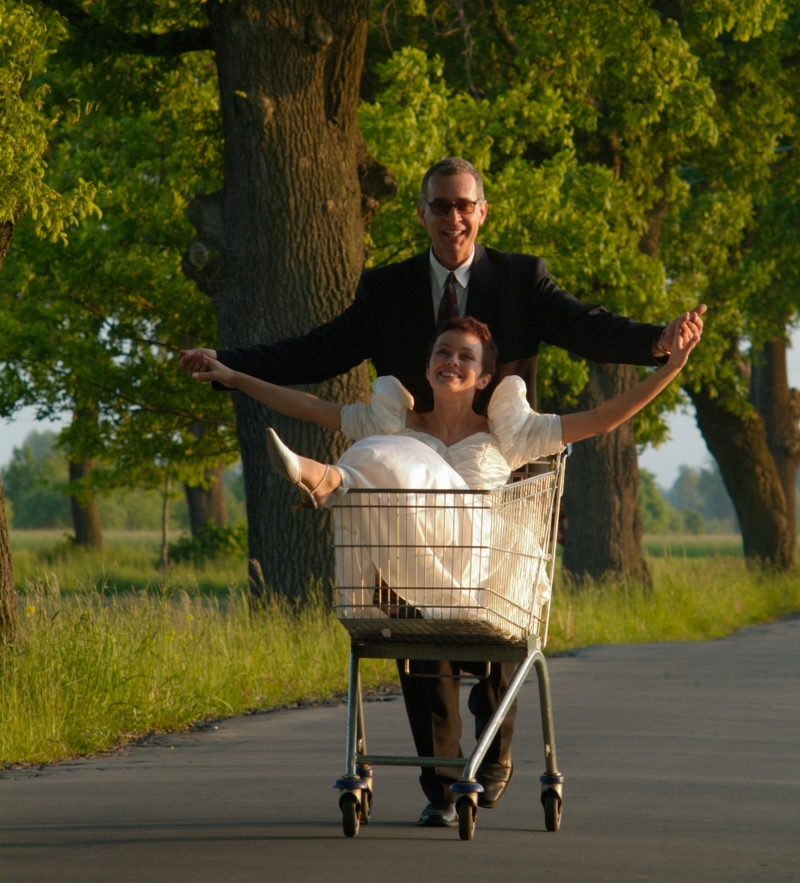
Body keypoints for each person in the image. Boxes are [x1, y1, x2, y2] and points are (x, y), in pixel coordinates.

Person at [180, 156, 706, 826]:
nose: (452, 217)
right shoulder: (388, 292)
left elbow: (586, 328)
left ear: (481, 211)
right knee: (414, 624)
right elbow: (313, 356)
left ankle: (489, 760)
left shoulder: (521, 279)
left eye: (464, 205)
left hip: (497, 488)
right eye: (439, 205)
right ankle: (442, 783)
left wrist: (658, 345)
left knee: (489, 638)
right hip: (411, 487)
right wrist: (231, 368)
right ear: (422, 213)